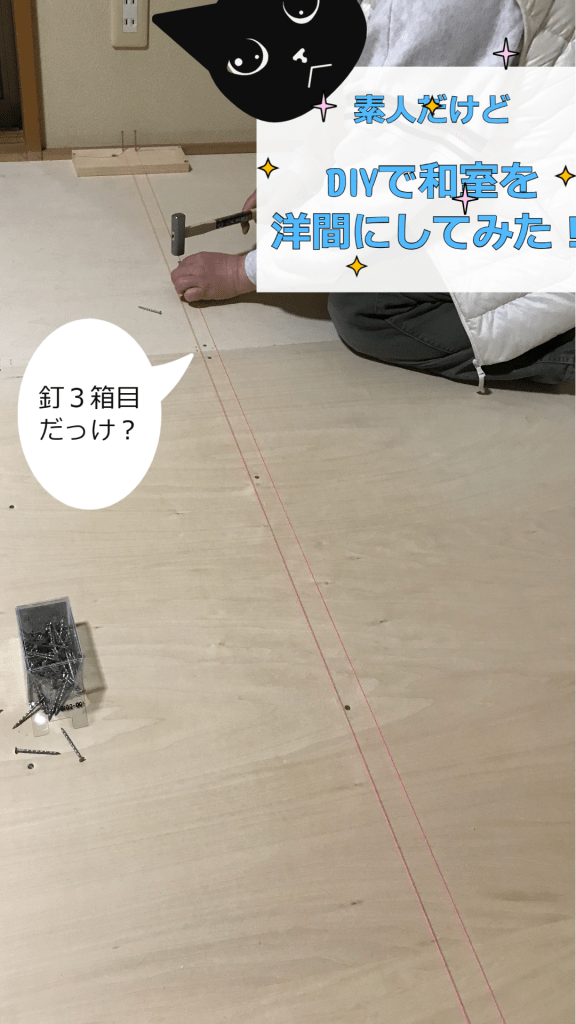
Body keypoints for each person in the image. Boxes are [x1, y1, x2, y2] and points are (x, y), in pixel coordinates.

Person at [171, 0, 575, 386]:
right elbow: (366, 94)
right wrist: (303, 173)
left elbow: (388, 184)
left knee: (365, 305)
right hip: (502, 176)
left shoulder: (441, 10)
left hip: (552, 215)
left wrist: (243, 272)